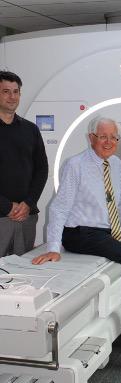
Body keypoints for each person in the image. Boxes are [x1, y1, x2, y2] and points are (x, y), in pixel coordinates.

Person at [32, 116, 121, 355]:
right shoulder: (75, 165)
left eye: (113, 137)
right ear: (92, 138)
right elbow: (59, 207)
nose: (108, 141)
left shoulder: (117, 165)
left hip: (107, 230)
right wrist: (54, 248)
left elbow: (119, 205)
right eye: (103, 136)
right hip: (79, 232)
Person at [0, 70, 48, 258]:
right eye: (6, 91)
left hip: (26, 216)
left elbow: (42, 168)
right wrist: (7, 206)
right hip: (1, 216)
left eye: (16, 91)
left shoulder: (31, 129)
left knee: (23, 275)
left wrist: (29, 203)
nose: (12, 97)